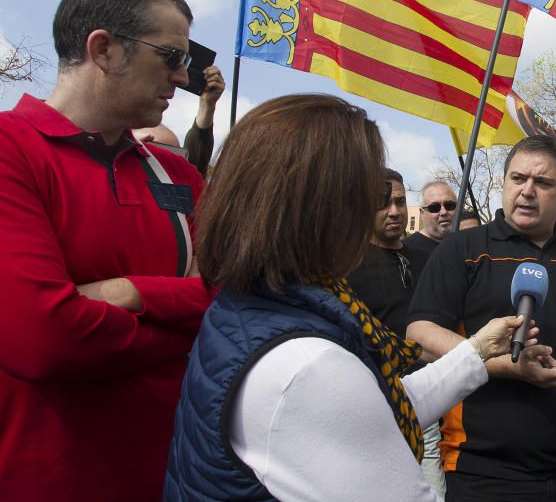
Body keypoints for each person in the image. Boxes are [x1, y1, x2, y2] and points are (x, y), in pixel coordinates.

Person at [164, 94, 533, 501]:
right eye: (366, 197)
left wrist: (477, 350)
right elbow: (347, 403)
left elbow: (378, 406)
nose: (377, 214)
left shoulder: (256, 304)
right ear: (322, 210)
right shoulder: (309, 367)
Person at [0, 0, 212, 501]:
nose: (183, 78)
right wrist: (184, 318)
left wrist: (129, 292)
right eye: (171, 57)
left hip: (177, 479)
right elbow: (45, 343)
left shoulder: (181, 176)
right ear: (104, 50)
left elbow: (231, 295)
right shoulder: (10, 149)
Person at [407, 135, 556, 500]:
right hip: (481, 471)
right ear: (504, 183)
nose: (527, 191)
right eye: (518, 179)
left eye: (543, 183)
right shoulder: (462, 248)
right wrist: (500, 364)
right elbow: (419, 335)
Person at [347, 168, 442, 496]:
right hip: (372, 408)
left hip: (427, 405)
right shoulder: (346, 265)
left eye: (401, 202)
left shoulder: (427, 258)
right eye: (383, 203)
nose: (395, 211)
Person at [406, 181, 458, 254]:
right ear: (422, 213)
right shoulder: (407, 250)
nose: (443, 212)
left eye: (449, 205)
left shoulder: (466, 244)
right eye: (434, 207)